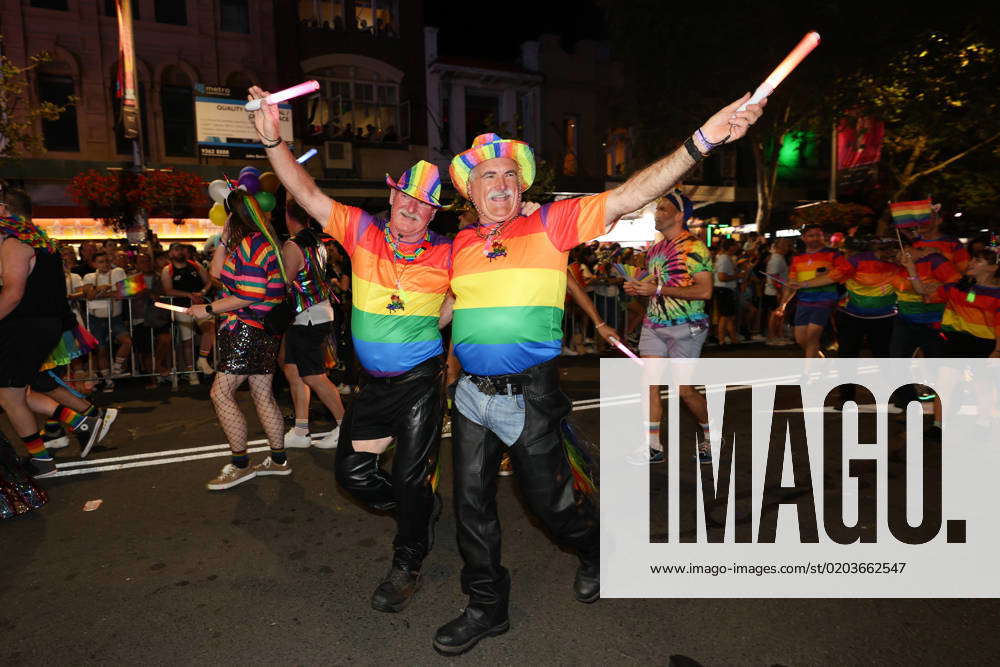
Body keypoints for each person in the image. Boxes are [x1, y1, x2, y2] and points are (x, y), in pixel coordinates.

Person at [438, 90, 763, 655]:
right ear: (471, 189)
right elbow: (445, 308)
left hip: (530, 397)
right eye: (489, 175)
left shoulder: (551, 224)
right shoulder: (461, 244)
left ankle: (592, 549)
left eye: (511, 175)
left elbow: (632, 192)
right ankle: (487, 606)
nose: (502, 184)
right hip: (471, 397)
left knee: (553, 506)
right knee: (470, 505)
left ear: (522, 185)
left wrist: (702, 141)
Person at [252, 84, 454, 616]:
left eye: (425, 205)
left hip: (419, 382)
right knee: (353, 475)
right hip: (374, 385)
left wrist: (444, 315)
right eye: (406, 199)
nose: (412, 209)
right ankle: (420, 509)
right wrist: (274, 142)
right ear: (391, 197)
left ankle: (407, 560)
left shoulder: (449, 253)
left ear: (433, 215)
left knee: (409, 472)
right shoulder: (361, 231)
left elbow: (470, 293)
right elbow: (308, 191)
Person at [188, 190, 288, 491]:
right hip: (262, 329)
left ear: (234, 216)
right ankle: (278, 459)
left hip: (247, 329)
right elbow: (217, 272)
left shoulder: (251, 245)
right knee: (262, 395)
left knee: (220, 394)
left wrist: (207, 309)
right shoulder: (259, 243)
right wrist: (224, 235)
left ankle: (241, 464)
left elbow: (250, 293)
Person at [0, 187, 102, 478]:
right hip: (38, 326)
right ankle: (74, 425)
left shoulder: (16, 243)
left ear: (4, 209)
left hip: (25, 327)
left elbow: (13, 293)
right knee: (18, 391)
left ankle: (43, 460)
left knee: (10, 396)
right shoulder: (40, 241)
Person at [623, 191, 714, 465]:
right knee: (648, 384)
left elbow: (705, 291)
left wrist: (657, 288)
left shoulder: (695, 248)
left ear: (679, 215)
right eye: (657, 208)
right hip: (654, 324)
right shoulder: (655, 250)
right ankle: (653, 446)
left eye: (663, 208)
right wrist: (637, 287)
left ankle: (710, 436)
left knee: (684, 390)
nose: (657, 213)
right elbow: (654, 287)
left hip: (686, 326)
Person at [279, 197, 346, 450]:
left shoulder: (293, 245)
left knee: (314, 375)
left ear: (288, 216)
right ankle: (301, 429)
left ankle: (344, 425)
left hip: (307, 316)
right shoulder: (317, 242)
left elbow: (283, 282)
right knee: (294, 371)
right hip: (315, 313)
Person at [779, 224, 850, 358]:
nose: (816, 238)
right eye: (811, 235)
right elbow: (791, 283)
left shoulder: (833, 254)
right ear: (804, 238)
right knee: (800, 339)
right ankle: (820, 359)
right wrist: (783, 303)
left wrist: (830, 273)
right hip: (803, 301)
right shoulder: (797, 258)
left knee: (812, 336)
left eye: (819, 235)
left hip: (825, 300)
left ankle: (808, 374)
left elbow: (843, 274)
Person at [161, 242, 215, 383]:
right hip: (181, 308)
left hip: (200, 305)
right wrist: (188, 295)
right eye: (177, 249)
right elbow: (168, 290)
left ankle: (202, 360)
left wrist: (202, 292)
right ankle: (191, 373)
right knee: (187, 340)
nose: (181, 252)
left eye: (182, 249)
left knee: (209, 329)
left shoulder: (195, 265)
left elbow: (209, 281)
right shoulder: (168, 270)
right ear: (171, 253)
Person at [82, 251, 133, 391]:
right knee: (101, 350)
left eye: (106, 261)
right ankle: (108, 381)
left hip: (115, 317)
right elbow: (89, 295)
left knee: (127, 341)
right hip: (95, 318)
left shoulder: (118, 272)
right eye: (100, 262)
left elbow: (125, 292)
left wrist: (103, 292)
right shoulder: (89, 276)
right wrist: (101, 289)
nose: (104, 264)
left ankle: (117, 370)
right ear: (94, 264)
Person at [712, 238, 743, 345]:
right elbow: (722, 277)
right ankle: (721, 340)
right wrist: (737, 276)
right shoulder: (724, 259)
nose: (737, 247)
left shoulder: (725, 258)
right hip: (724, 290)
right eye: (735, 245)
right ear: (730, 247)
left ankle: (733, 338)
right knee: (725, 316)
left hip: (725, 289)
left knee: (729, 316)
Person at [763, 238, 792, 345]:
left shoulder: (779, 257)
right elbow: (774, 277)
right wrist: (779, 292)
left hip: (777, 291)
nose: (788, 248)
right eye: (786, 245)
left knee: (778, 315)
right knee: (774, 314)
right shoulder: (776, 259)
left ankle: (778, 336)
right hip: (774, 292)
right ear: (780, 246)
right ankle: (772, 337)